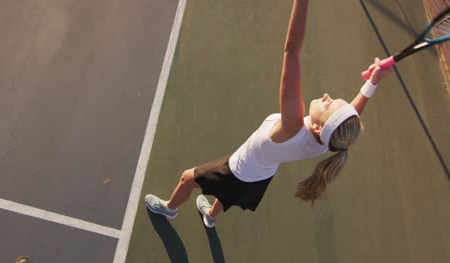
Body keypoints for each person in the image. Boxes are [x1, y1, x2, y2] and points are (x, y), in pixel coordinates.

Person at [144, 0, 391, 228]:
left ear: (318, 127)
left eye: (329, 104)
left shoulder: (292, 126)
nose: (327, 96)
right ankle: (210, 217)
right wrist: (372, 84)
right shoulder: (332, 143)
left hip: (238, 169)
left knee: (188, 178)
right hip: (261, 176)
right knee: (229, 194)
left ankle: (169, 209)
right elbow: (350, 117)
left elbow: (292, 51)